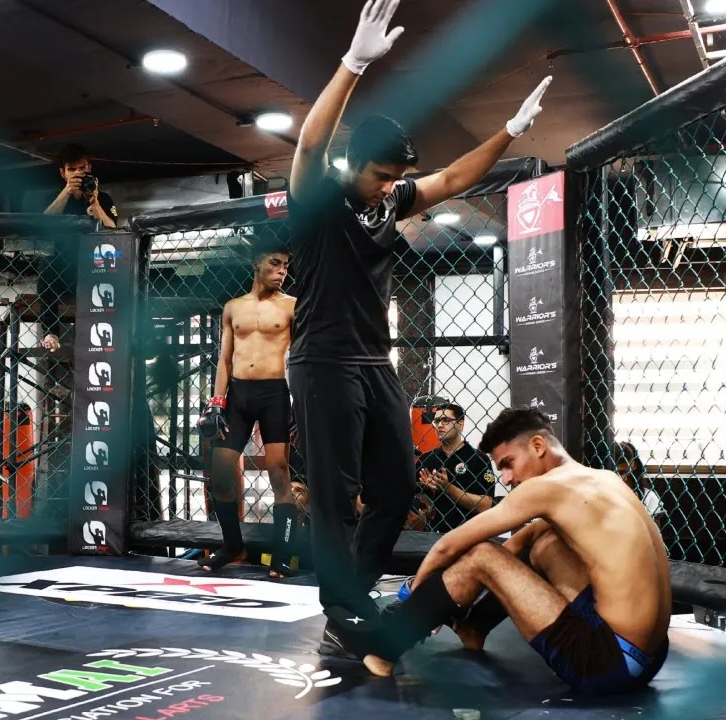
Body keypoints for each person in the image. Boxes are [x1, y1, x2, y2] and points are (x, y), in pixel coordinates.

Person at [286, 0, 553, 654]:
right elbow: (310, 144)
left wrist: (510, 131)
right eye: (382, 176)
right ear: (354, 165)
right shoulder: (320, 201)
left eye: (396, 179)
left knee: (398, 484)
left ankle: (354, 591)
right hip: (323, 360)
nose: (390, 188)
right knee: (335, 493)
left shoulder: (391, 202)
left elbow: (455, 176)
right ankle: (341, 607)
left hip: (374, 362)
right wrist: (352, 65)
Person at [330, 408, 671, 695]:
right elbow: (517, 548)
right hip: (651, 657)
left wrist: (417, 601)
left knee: (481, 554)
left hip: (606, 662)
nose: (506, 478)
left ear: (538, 445)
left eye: (508, 463)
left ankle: (385, 651)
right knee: (544, 542)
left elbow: (448, 545)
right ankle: (474, 628)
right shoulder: (603, 478)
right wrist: (459, 593)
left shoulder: (546, 488)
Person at [197, 243, 299, 578]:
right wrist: (217, 402)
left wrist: (300, 403)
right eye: (275, 263)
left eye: (286, 266)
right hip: (238, 395)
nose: (282, 271)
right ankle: (233, 546)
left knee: (278, 473)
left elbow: (301, 357)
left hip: (275, 394)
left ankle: (282, 556)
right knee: (221, 473)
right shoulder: (233, 307)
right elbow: (224, 360)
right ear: (257, 263)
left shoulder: (292, 306)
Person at [39, 144, 119, 352]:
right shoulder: (54, 197)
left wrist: (94, 202)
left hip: (93, 266)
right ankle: (50, 332)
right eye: (72, 169)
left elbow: (113, 231)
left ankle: (102, 335)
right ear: (63, 173)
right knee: (46, 262)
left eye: (82, 168)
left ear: (89, 169)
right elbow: (42, 224)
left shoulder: (103, 198)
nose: (77, 173)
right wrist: (67, 192)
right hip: (62, 267)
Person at [416, 403, 497, 531]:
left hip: (468, 534)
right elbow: (416, 502)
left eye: (445, 420)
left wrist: (448, 488)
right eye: (436, 421)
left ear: (460, 424)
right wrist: (427, 491)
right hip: (431, 535)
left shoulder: (478, 459)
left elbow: (486, 505)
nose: (440, 425)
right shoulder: (426, 460)